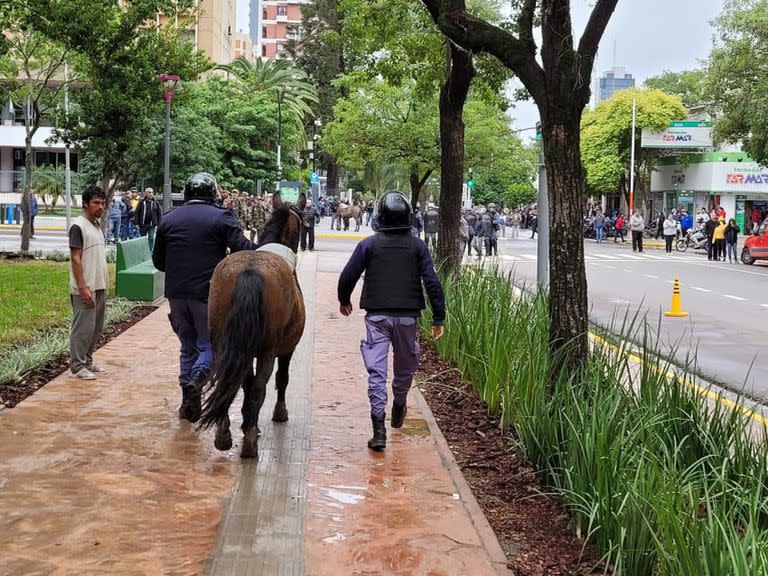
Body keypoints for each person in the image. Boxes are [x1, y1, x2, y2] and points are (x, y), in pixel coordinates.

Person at [337, 191, 445, 451]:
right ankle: (399, 403)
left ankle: (379, 432)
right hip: (408, 318)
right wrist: (438, 317)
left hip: (377, 317)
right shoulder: (418, 246)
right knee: (405, 367)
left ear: (380, 218)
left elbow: (348, 275)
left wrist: (344, 300)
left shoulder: (369, 245)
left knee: (376, 372)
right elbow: (432, 281)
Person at [152, 172, 254, 423]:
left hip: (175, 294)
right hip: (207, 294)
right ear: (213, 193)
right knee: (210, 346)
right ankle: (199, 378)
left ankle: (188, 398)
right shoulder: (221, 217)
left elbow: (158, 261)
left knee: (187, 347)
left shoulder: (168, 219)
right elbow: (244, 249)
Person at [68, 185, 109, 380]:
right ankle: (77, 366)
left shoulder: (96, 225)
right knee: (82, 328)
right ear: (85, 204)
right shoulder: (78, 226)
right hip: (85, 288)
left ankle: (88, 361)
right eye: (96, 203)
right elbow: (76, 259)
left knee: (95, 328)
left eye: (102, 203)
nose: (100, 207)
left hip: (100, 286)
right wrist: (83, 286)